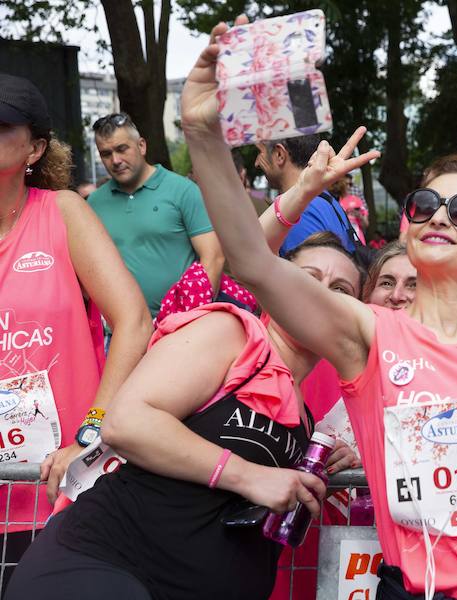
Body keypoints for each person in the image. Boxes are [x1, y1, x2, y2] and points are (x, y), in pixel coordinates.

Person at [182, 20, 457, 597]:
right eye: (427, 203)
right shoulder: (367, 333)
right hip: (412, 584)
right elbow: (250, 260)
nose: (438, 216)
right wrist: (202, 134)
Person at [7, 233, 363, 600]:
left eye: (341, 289)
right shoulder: (231, 333)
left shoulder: (303, 420)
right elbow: (126, 422)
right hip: (107, 564)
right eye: (308, 276)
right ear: (275, 283)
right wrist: (250, 476)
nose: (322, 292)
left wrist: (323, 468)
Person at [0, 74, 151, 586]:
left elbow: (133, 321)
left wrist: (93, 432)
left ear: (36, 148)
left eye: (1, 127)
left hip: (63, 484)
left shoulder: (63, 213)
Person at [89, 113, 224, 320]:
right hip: (119, 330)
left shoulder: (183, 191)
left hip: (179, 325)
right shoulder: (94, 203)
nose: (115, 160)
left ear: (141, 146)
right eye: (106, 153)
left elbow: (213, 258)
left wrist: (193, 321)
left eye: (122, 149)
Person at [254, 134, 357, 256]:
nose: (256, 163)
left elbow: (311, 272)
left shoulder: (298, 211)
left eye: (260, 152)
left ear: (279, 154)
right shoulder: (323, 200)